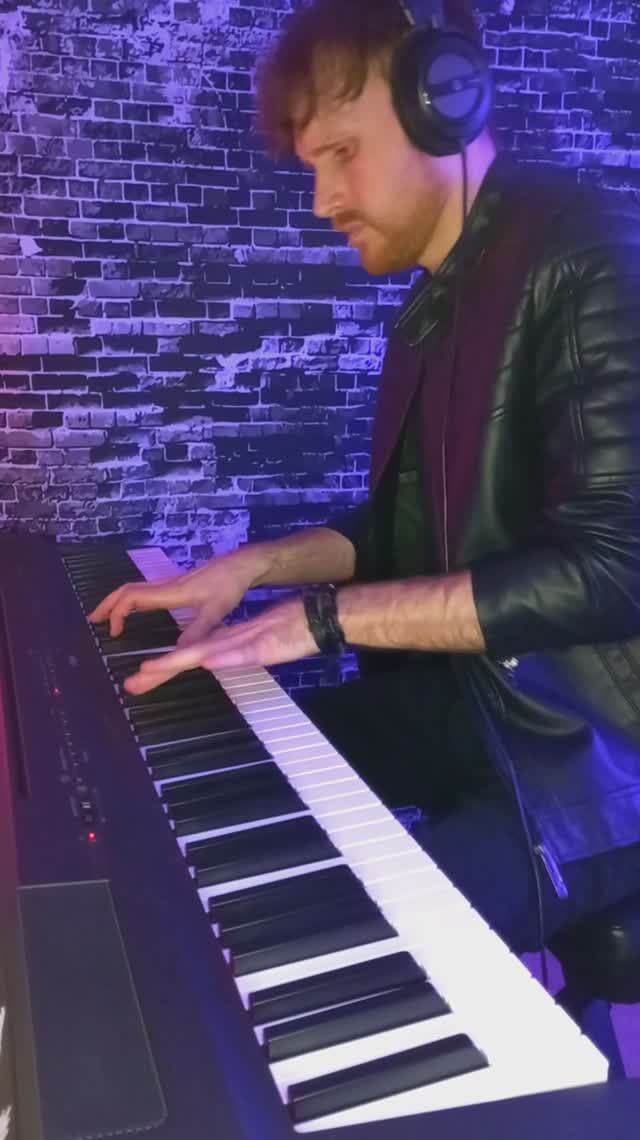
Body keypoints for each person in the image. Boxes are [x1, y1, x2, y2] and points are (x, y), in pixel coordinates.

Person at [89, 0, 640, 959]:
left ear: (444, 102)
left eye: (342, 153)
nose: (322, 201)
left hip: (592, 757)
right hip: (471, 707)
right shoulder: (431, 307)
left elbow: (614, 570)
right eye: (314, 167)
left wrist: (320, 621)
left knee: (320, 946)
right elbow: (394, 528)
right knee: (224, 791)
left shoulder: (582, 244)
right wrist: (251, 569)